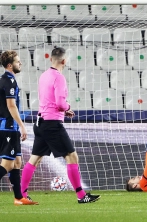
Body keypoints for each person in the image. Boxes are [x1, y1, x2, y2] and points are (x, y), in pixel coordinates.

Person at [20, 47, 100, 203]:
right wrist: (68, 108)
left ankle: (21, 195)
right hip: (52, 124)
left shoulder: (43, 76)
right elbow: (60, 103)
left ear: (51, 59)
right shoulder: (59, 77)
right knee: (72, 156)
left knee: (35, 159)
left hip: (40, 122)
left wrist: (63, 109)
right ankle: (81, 196)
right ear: (64, 61)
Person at [0, 50, 38, 205]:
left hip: (8, 127)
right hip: (9, 127)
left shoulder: (3, 79)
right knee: (8, 164)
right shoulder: (9, 81)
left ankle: (18, 197)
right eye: (17, 61)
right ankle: (18, 197)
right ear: (10, 65)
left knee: (17, 162)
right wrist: (22, 126)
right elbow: (11, 105)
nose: (20, 63)